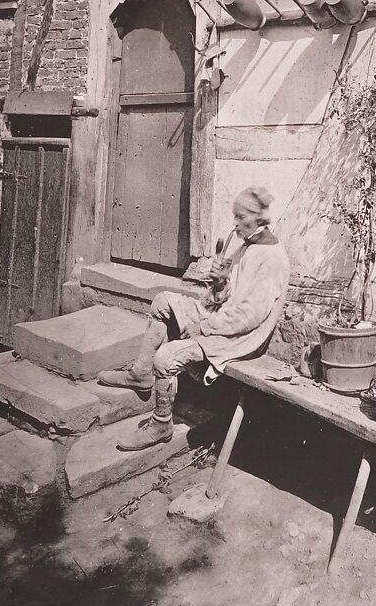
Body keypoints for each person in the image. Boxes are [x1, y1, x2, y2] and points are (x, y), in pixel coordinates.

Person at [99, 187, 290, 451]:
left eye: (241, 217)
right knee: (162, 301)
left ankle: (161, 424)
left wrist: (204, 327)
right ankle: (141, 375)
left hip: (239, 338)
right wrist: (220, 283)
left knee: (166, 358)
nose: (235, 223)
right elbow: (224, 299)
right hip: (222, 319)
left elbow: (249, 317)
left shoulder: (271, 257)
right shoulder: (246, 246)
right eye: (234, 216)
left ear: (259, 218)